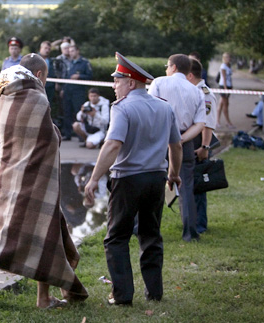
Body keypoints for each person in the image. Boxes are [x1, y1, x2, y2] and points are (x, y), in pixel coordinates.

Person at [0, 54, 88, 308]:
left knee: (32, 229)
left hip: (7, 174)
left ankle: (41, 297)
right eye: (46, 77)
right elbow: (50, 138)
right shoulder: (36, 97)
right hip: (34, 178)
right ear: (39, 75)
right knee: (31, 230)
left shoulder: (4, 95)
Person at [84, 52, 182, 306]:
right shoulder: (164, 107)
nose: (114, 86)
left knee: (116, 237)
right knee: (151, 235)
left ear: (130, 82)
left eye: (117, 81)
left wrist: (94, 179)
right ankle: (155, 292)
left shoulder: (123, 107)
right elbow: (176, 146)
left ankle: (123, 295)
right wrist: (173, 174)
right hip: (156, 179)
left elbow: (112, 145)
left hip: (127, 180)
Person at [148, 54, 205, 242]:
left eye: (167, 66)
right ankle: (190, 232)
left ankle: (146, 228)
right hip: (185, 141)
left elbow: (150, 109)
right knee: (187, 187)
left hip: (159, 139)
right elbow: (200, 123)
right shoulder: (197, 91)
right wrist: (180, 139)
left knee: (152, 184)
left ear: (172, 67)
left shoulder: (159, 82)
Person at [187, 58, 217, 234]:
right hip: (193, 143)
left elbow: (208, 123)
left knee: (198, 186)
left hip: (200, 145)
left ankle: (200, 224)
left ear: (190, 75)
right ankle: (192, 219)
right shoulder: (192, 91)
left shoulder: (205, 94)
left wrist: (205, 148)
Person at [62, 45, 93, 140]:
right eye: (69, 51)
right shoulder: (68, 63)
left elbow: (90, 76)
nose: (70, 53)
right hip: (68, 91)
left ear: (77, 51)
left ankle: (81, 135)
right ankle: (67, 134)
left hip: (78, 92)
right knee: (66, 113)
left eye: (72, 51)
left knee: (79, 113)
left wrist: (79, 76)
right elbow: (65, 77)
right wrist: (63, 89)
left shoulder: (84, 63)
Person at [217, 52, 235, 129]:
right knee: (225, 104)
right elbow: (223, 78)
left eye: (229, 57)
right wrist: (225, 88)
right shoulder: (223, 66)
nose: (228, 58)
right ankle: (228, 122)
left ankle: (217, 121)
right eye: (227, 57)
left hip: (229, 85)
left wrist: (231, 85)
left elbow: (229, 77)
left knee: (221, 104)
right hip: (224, 86)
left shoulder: (229, 66)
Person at [38, 41, 56, 105]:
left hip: (49, 87)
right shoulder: (34, 59)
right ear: (41, 49)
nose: (47, 50)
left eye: (49, 49)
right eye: (45, 48)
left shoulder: (51, 61)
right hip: (37, 87)